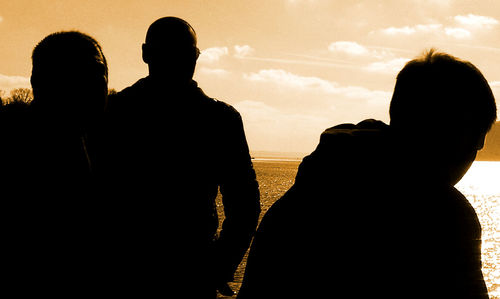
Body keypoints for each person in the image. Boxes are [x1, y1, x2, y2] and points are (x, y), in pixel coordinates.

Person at [237, 49, 496, 299]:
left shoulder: (308, 189)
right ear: (450, 133)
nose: (477, 150)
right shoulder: (445, 214)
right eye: (476, 138)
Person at [103, 16, 260, 297]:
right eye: (172, 52)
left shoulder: (114, 112)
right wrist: (220, 265)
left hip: (146, 274)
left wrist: (219, 265)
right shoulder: (219, 119)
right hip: (153, 274)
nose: (180, 61)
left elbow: (245, 205)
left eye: (186, 53)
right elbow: (245, 205)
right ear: (146, 54)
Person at [1, 31, 109, 295]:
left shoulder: (110, 145)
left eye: (100, 73)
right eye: (79, 74)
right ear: (40, 83)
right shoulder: (14, 151)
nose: (96, 85)